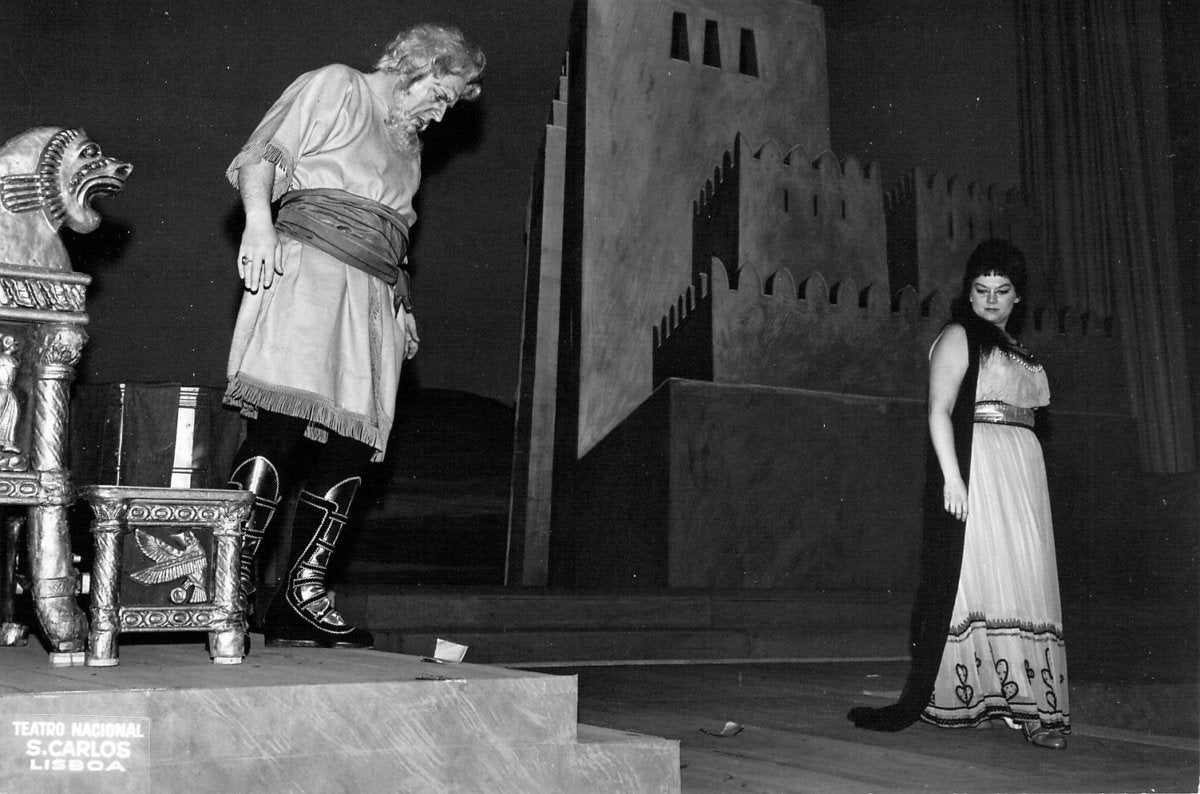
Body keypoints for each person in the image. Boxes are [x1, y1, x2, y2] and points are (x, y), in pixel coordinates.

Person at [223, 24, 485, 648]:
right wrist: (258, 226)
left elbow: (391, 230)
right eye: (441, 94)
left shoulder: (408, 144)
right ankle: (228, 583)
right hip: (310, 271)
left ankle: (300, 596)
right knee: (281, 428)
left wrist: (403, 301)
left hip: (374, 299)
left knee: (352, 448)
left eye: (450, 104)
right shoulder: (338, 85)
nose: (440, 113)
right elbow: (262, 156)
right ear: (418, 66)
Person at [849, 239, 1070, 749]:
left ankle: (1015, 704)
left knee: (1022, 575)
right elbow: (939, 410)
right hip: (982, 466)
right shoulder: (957, 335)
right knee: (978, 576)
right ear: (968, 293)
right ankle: (1014, 708)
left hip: (1022, 471)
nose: (990, 299)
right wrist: (953, 478)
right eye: (981, 289)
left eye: (1002, 290)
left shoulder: (1018, 350)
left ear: (1018, 296)